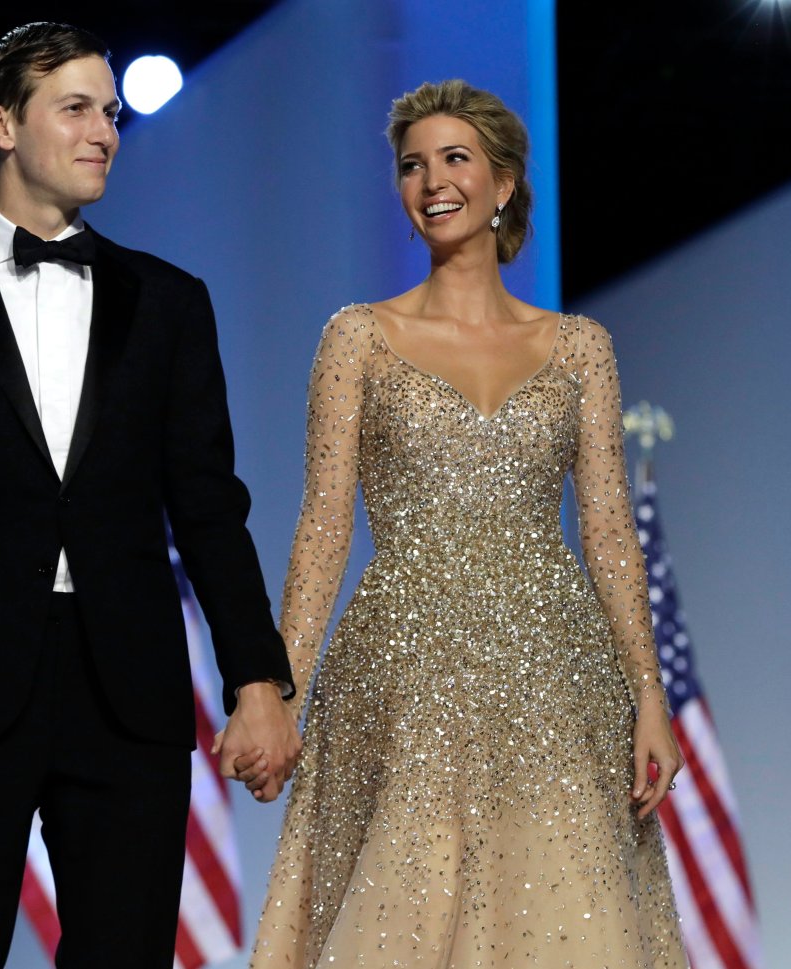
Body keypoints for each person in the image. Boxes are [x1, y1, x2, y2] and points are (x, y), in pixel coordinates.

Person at [0, 22, 300, 968]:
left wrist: (257, 678)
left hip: (126, 689)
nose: (105, 133)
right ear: (0, 122)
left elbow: (209, 503)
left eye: (113, 114)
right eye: (76, 108)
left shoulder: (169, 301)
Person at [243, 80, 689, 967]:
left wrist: (649, 692)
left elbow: (605, 528)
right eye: (413, 165)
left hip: (555, 677)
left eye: (455, 159)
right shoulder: (357, 338)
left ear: (505, 184)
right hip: (399, 678)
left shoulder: (580, 346)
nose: (432, 181)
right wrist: (280, 691)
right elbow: (325, 524)